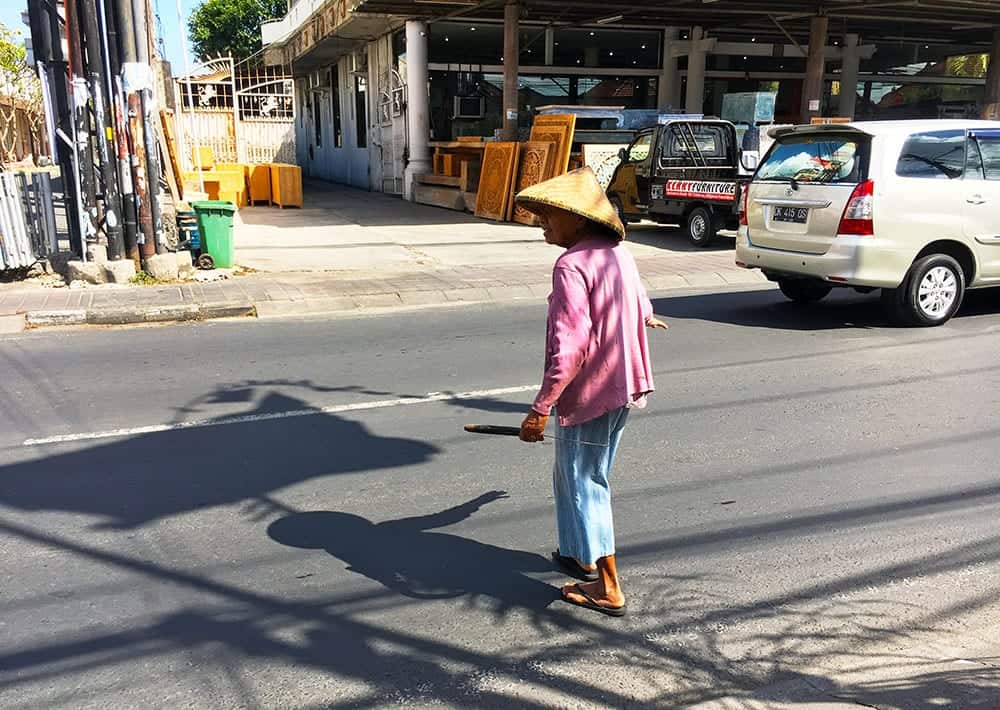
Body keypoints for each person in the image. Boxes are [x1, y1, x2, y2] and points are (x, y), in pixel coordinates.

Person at [515, 167, 667, 617]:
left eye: (550, 215)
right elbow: (638, 297)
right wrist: (645, 317)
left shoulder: (570, 266)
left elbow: (571, 346)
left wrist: (539, 408)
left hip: (593, 390)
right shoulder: (617, 253)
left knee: (586, 481)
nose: (543, 222)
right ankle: (578, 552)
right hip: (624, 382)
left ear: (578, 220)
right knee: (571, 473)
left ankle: (609, 585)